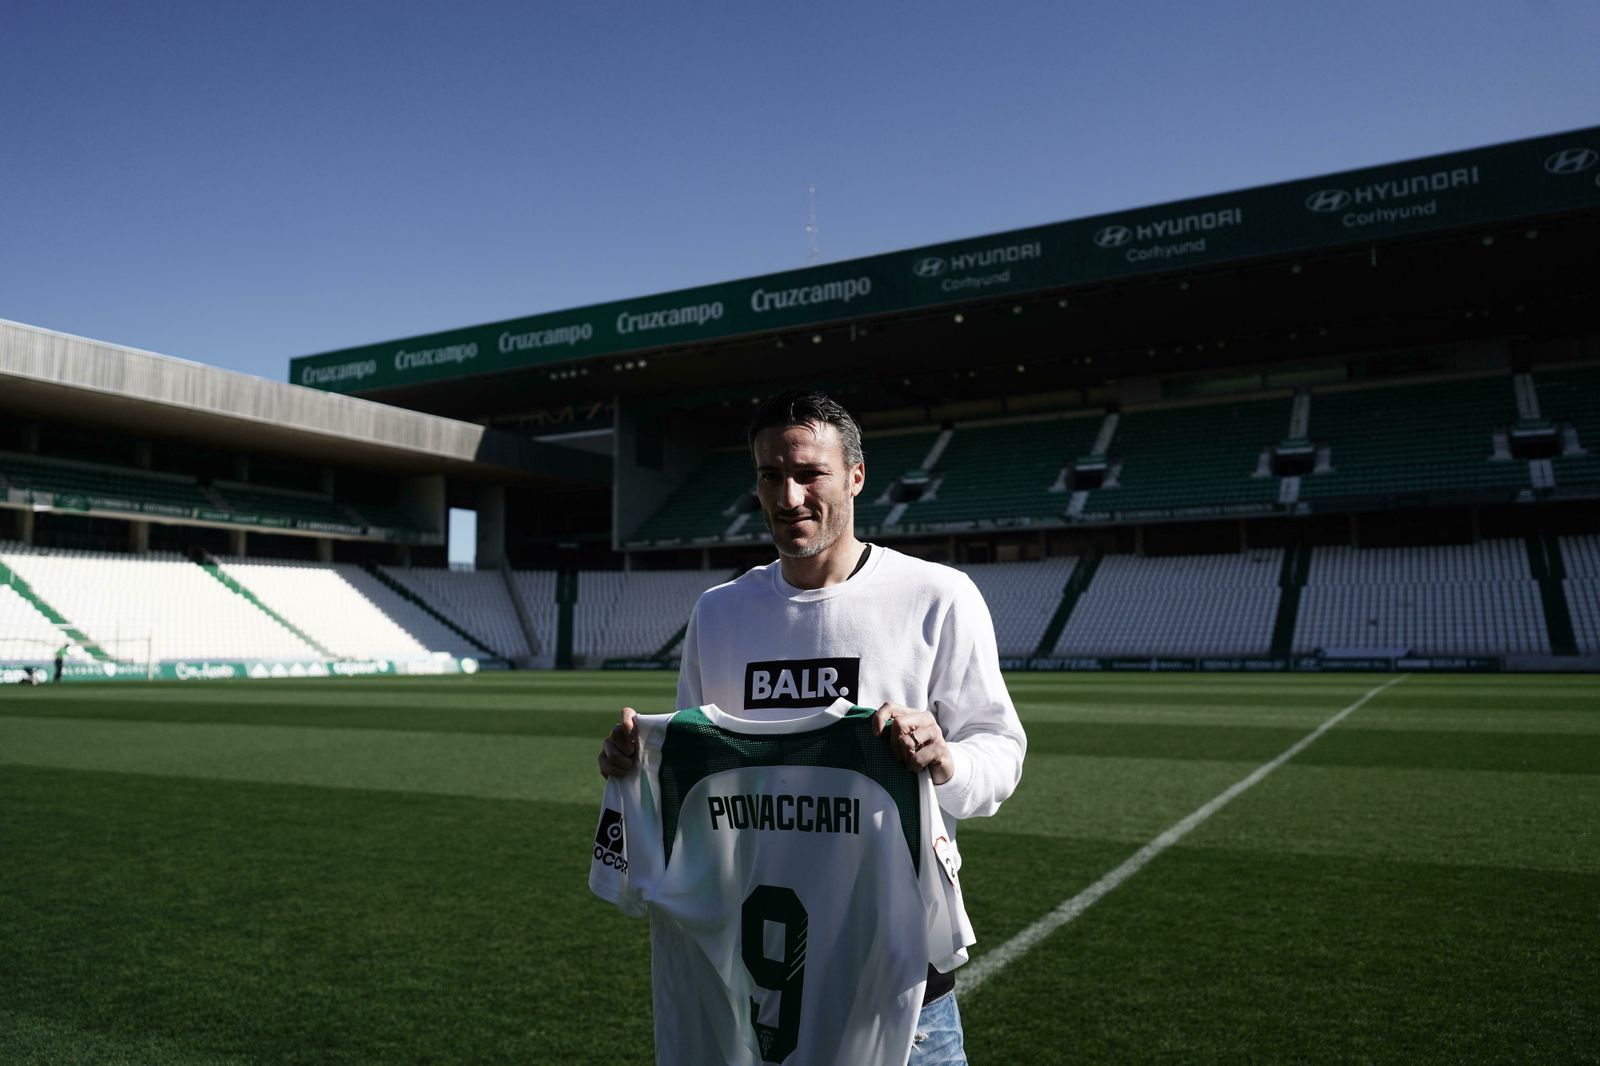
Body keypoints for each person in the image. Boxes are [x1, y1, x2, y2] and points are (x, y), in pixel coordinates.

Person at [598, 389, 1027, 1063]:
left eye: (808, 474)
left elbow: (999, 755)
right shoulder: (720, 612)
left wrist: (946, 760)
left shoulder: (937, 598)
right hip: (757, 981)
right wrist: (634, 766)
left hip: (901, 985)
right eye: (771, 475)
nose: (788, 496)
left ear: (856, 477)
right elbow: (693, 777)